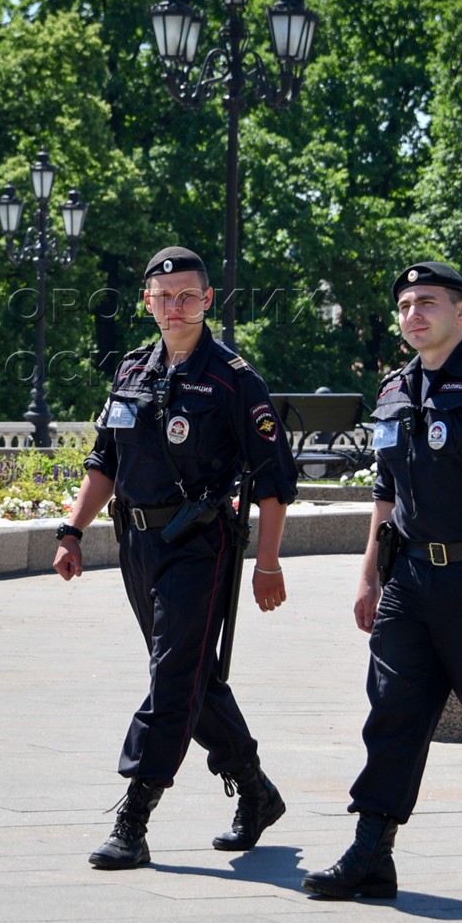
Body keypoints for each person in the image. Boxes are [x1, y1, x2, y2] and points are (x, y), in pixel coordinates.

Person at [302, 261, 462, 901]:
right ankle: (372, 851)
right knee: (392, 712)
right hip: (409, 583)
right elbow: (385, 493)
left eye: (428, 302)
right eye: (405, 306)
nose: (414, 314)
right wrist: (367, 575)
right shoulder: (395, 390)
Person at [53, 246, 297, 870]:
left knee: (171, 677)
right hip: (136, 544)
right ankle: (255, 788)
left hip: (199, 547)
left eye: (186, 296)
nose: (173, 307)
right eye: (162, 297)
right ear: (146, 302)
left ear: (208, 300)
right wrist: (73, 530)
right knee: (191, 677)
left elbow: (272, 483)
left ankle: (135, 815)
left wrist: (267, 563)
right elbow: (104, 461)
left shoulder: (236, 380)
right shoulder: (132, 370)